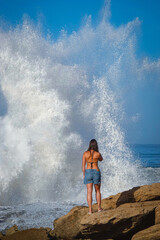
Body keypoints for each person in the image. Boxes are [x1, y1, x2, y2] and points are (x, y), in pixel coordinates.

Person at [82, 139, 103, 214]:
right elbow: (101, 160)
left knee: (89, 192)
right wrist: (97, 154)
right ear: (96, 145)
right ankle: (99, 208)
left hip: (88, 172)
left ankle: (90, 210)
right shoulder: (98, 154)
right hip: (96, 171)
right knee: (97, 191)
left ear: (90, 145)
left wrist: (84, 174)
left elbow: (83, 166)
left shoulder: (85, 153)